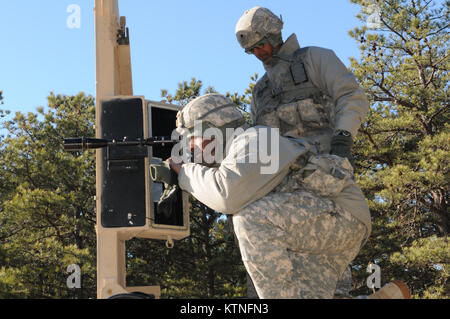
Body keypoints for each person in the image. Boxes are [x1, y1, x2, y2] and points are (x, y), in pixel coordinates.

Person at [154, 93, 372, 299]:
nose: (191, 149)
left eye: (192, 139)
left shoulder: (254, 139)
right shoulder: (240, 151)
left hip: (340, 216)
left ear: (213, 131)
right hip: (316, 227)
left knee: (251, 218)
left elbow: (225, 195)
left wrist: (184, 171)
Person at [235, 6, 372, 297]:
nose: (258, 53)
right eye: (252, 50)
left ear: (275, 35)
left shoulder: (315, 59)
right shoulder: (261, 91)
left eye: (260, 45)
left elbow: (351, 95)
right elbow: (261, 145)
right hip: (285, 192)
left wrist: (343, 139)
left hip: (327, 181)